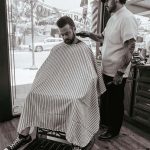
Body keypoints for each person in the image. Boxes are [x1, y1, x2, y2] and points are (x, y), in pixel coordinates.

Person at [4, 16, 106, 150]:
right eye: (62, 35)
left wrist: (83, 85)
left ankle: (76, 142)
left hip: (76, 90)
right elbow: (45, 71)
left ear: (74, 29)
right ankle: (23, 136)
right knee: (32, 96)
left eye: (67, 33)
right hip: (56, 88)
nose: (64, 37)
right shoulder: (57, 49)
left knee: (75, 101)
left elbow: (92, 75)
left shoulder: (84, 49)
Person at [77, 0, 138, 140]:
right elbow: (101, 37)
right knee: (108, 101)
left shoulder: (127, 18)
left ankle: (114, 130)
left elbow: (130, 47)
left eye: (106, 0)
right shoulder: (113, 18)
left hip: (117, 72)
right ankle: (107, 125)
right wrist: (88, 34)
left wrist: (120, 73)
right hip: (106, 69)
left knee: (116, 103)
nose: (104, 3)